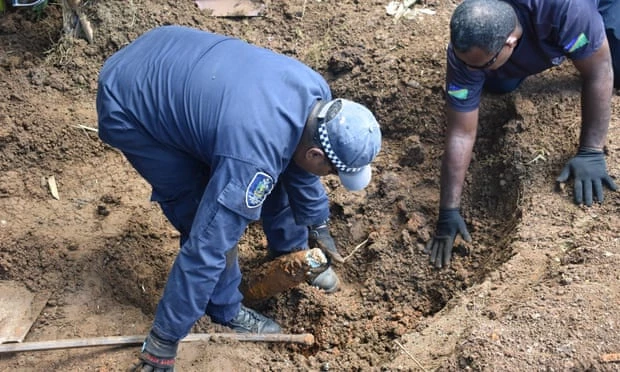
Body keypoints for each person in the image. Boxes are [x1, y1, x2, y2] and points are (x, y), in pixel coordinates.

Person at [96, 25, 382, 370]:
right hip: (130, 104)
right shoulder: (253, 158)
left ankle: (288, 251)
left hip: (167, 52)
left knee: (270, 171)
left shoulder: (315, 93)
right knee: (202, 207)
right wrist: (164, 341)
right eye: (334, 172)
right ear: (318, 155)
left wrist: (317, 220)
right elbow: (209, 245)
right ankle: (224, 307)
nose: (330, 178)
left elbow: (296, 164)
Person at [425, 0, 619, 269]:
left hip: (582, 9)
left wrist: (591, 150)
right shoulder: (472, 43)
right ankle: (565, 43)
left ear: (510, 42)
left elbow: (599, 71)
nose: (471, 71)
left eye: (481, 64)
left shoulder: (566, 9)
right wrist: (448, 210)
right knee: (498, 83)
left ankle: (581, 36)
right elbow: (460, 133)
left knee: (613, 64)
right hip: (539, 27)